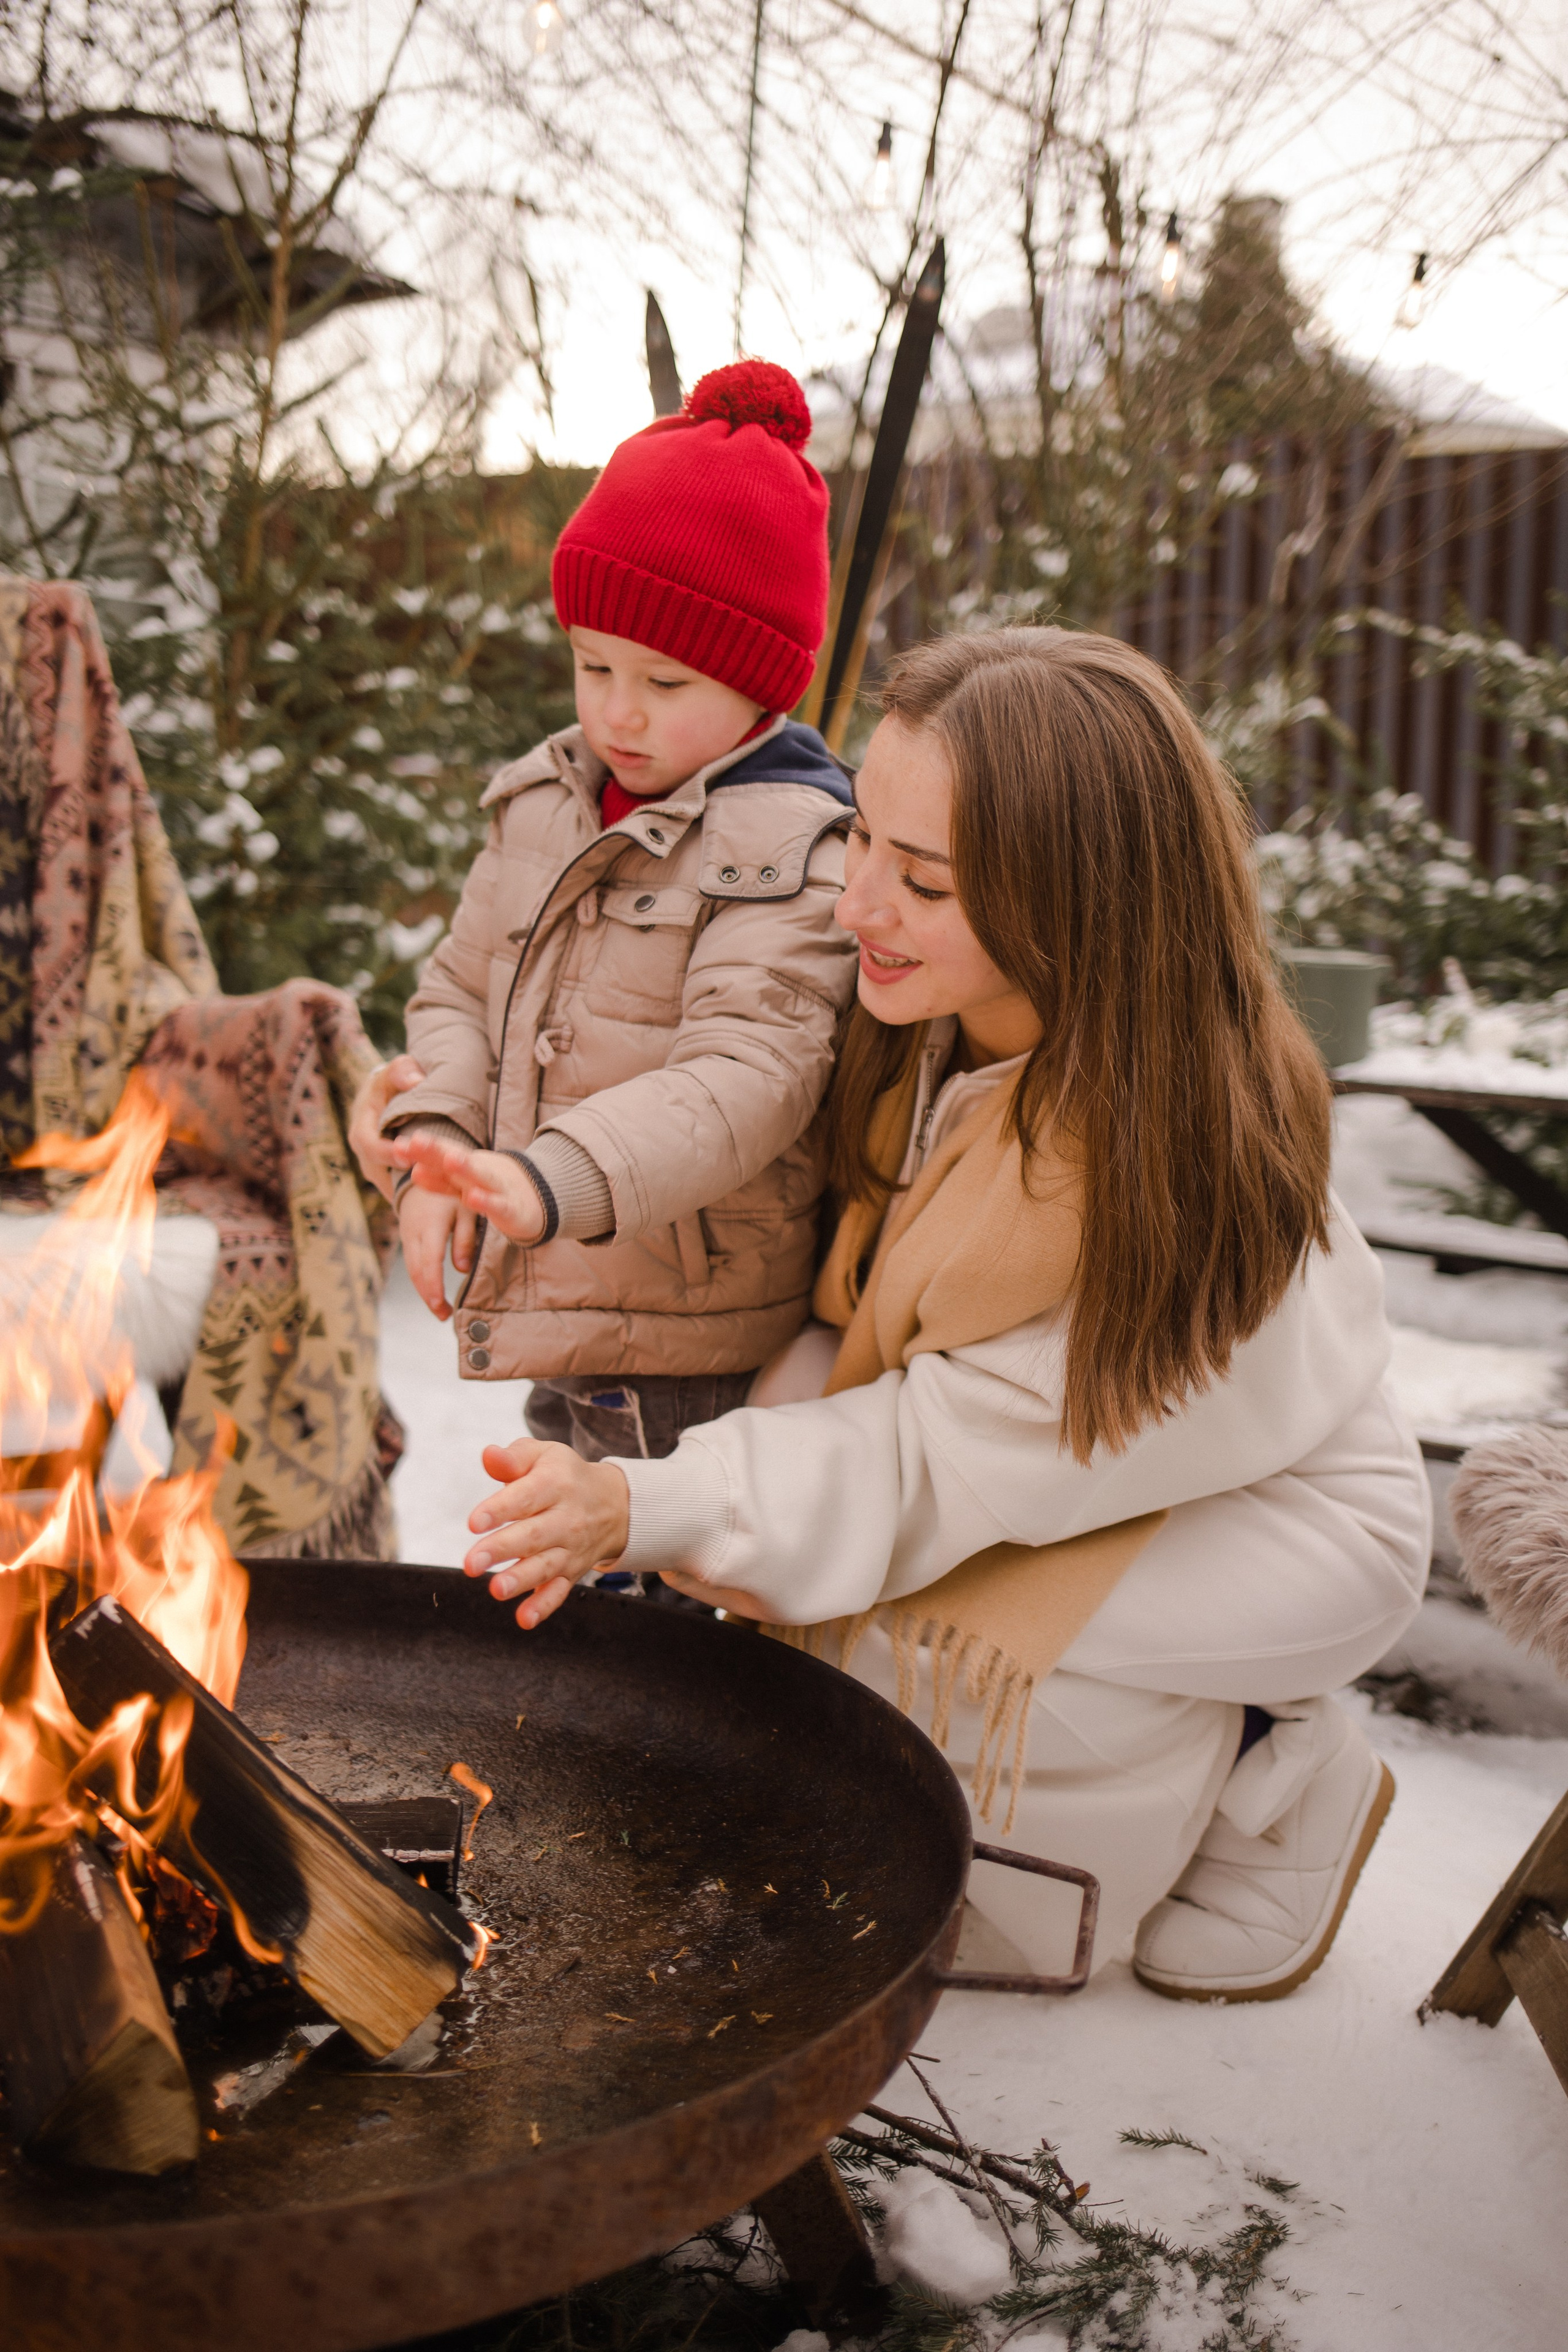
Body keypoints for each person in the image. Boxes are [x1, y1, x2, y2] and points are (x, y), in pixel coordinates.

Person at [450, 627, 1433, 2002]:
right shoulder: (939, 1024)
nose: (854, 901)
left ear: (1076, 906)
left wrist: (651, 1503)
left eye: (921, 880)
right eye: (861, 837)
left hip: (1277, 1525)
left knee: (898, 1637)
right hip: (1046, 1455)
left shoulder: (1164, 1159)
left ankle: (1275, 1774)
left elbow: (938, 1456)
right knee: (799, 1590)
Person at [359, 360, 858, 1471]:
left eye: (666, 684)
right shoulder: (545, 804)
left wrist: (551, 1179)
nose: (618, 713)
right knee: (573, 1562)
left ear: (760, 681)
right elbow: (460, 993)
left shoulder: (791, 847)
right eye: (594, 666)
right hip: (562, 1295)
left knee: (662, 1577)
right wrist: (443, 1134)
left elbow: (747, 1079)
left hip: (694, 1343)